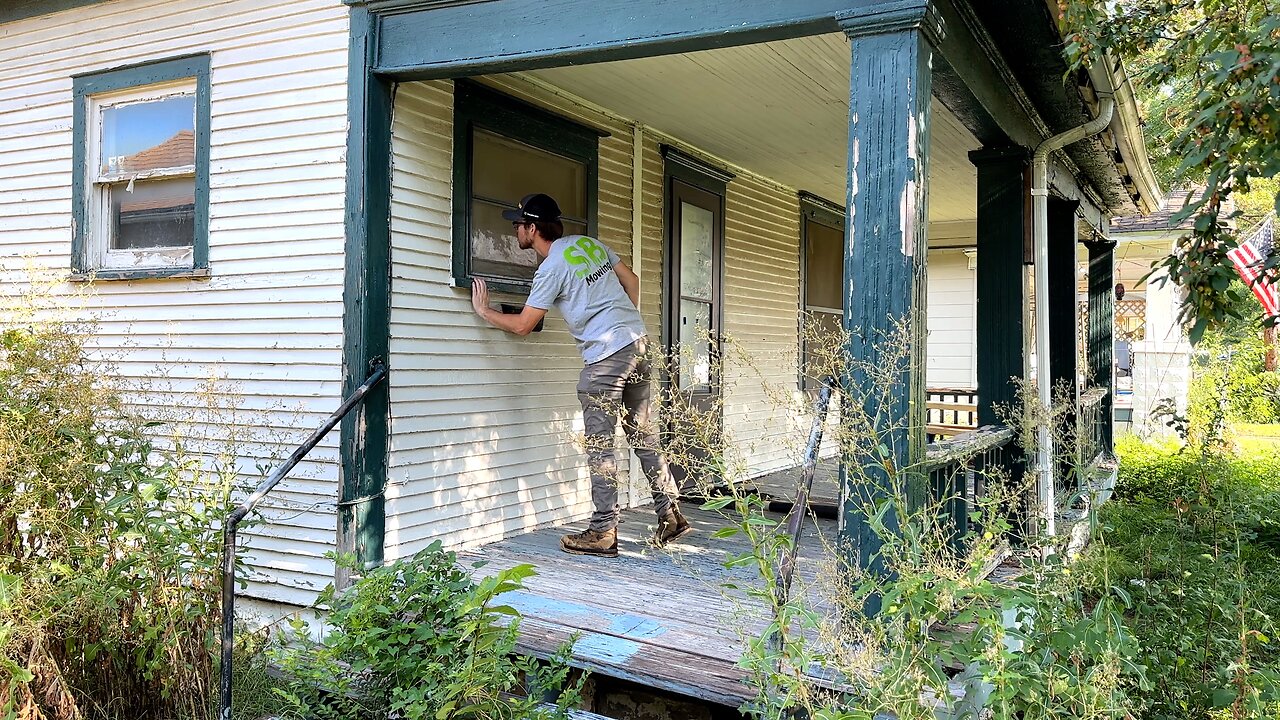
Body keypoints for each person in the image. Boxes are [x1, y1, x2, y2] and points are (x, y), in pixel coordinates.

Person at [471, 193, 690, 558]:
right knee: (643, 434)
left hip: (606, 357)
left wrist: (485, 311)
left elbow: (525, 325)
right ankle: (670, 514)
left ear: (533, 228)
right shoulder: (588, 244)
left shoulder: (551, 267)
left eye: (518, 225)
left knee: (600, 445)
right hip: (637, 342)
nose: (514, 231)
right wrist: (615, 317)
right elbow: (632, 282)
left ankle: (603, 532)